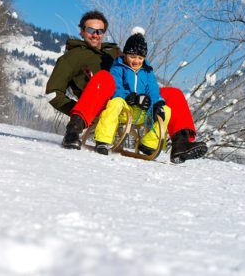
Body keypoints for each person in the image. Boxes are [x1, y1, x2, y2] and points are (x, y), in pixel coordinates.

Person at [46, 10, 208, 164]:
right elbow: (52, 93)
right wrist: (80, 112)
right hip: (101, 103)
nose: (95, 34)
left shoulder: (114, 52)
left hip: (131, 100)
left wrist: (151, 98)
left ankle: (181, 144)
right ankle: (73, 131)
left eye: (100, 31)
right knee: (105, 77)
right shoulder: (71, 57)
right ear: (82, 31)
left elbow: (139, 69)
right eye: (90, 30)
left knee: (173, 94)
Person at [93, 27, 171, 156]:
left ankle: (148, 144)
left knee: (166, 110)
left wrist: (155, 103)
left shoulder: (147, 71)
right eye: (132, 56)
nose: (136, 61)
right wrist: (130, 97)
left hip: (142, 113)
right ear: (125, 54)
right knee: (116, 102)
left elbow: (153, 90)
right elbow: (114, 87)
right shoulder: (118, 67)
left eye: (140, 58)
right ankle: (103, 140)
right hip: (123, 110)